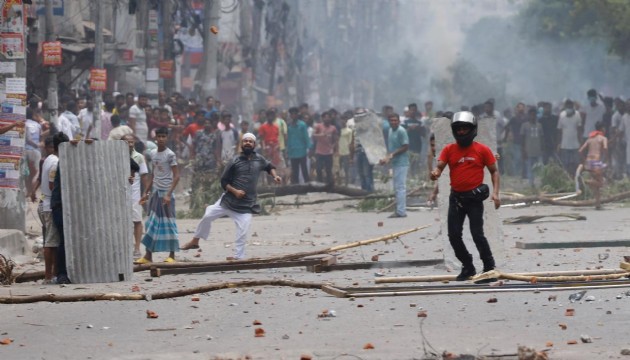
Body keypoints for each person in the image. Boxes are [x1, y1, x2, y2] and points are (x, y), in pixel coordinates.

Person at [179, 133, 282, 259]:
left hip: (247, 204)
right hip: (228, 201)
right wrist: (235, 191)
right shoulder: (235, 160)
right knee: (208, 215)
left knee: (243, 231)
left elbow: (269, 167)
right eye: (245, 141)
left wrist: (275, 176)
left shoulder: (259, 159)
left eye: (250, 141)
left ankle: (238, 257)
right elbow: (224, 181)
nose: (248, 143)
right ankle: (195, 241)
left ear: (254, 145)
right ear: (241, 144)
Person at [430, 111, 501, 282]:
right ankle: (468, 266)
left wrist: (496, 193)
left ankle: (489, 267)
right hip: (456, 199)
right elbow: (439, 166)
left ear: (473, 129)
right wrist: (435, 173)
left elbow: (494, 171)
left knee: (477, 234)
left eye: (465, 128)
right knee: (453, 236)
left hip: (474, 199)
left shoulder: (482, 150)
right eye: (458, 129)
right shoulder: (449, 149)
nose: (461, 132)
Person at [135, 127, 180, 264]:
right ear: (156, 138)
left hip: (166, 195)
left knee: (168, 224)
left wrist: (168, 194)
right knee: (151, 223)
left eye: (163, 136)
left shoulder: (170, 155)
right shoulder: (153, 154)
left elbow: (177, 176)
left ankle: (172, 255)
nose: (161, 139)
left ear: (167, 138)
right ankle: (148, 255)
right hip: (155, 193)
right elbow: (153, 175)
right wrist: (146, 192)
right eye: (159, 136)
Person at [123, 134, 150, 257]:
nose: (129, 144)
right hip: (121, 193)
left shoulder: (139, 157)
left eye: (131, 142)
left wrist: (145, 192)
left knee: (137, 220)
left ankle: (137, 248)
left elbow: (144, 176)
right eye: (127, 142)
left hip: (134, 194)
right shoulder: (117, 156)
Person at [379, 112, 409, 218]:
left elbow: (405, 146)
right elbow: (391, 148)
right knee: (397, 187)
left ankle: (401, 211)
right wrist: (386, 158)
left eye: (395, 120)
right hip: (395, 162)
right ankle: (400, 209)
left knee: (400, 187)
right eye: (391, 120)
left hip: (402, 162)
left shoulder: (401, 131)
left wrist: (391, 155)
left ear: (399, 121)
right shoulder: (390, 131)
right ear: (389, 121)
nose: (393, 122)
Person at [579, 121, 608, 209]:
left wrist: (585, 161)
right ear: (602, 128)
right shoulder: (603, 138)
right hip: (596, 161)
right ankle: (585, 181)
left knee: (596, 186)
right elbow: (606, 148)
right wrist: (606, 160)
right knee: (601, 183)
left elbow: (580, 151)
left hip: (589, 161)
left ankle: (597, 204)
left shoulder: (590, 139)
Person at [557, 99, 582, 176]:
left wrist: (580, 141)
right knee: (565, 165)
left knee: (576, 164)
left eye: (570, 106)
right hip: (565, 145)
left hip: (575, 145)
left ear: (573, 107)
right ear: (565, 107)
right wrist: (559, 143)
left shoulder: (577, 114)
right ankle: (566, 179)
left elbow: (580, 128)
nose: (569, 108)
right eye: (567, 106)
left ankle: (576, 179)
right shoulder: (562, 115)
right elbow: (559, 130)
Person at [312, 111, 338, 185]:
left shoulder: (333, 128)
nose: (327, 119)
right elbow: (313, 135)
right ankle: (320, 184)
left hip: (329, 152)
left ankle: (329, 185)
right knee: (319, 169)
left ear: (330, 119)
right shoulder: (319, 126)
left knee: (328, 169)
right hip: (319, 151)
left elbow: (336, 139)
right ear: (322, 118)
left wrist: (334, 147)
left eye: (328, 118)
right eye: (325, 117)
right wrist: (321, 135)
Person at [287, 107, 311, 184]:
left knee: (304, 170)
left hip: (302, 151)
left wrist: (309, 148)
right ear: (290, 115)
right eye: (292, 114)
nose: (293, 115)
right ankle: (296, 187)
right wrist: (288, 150)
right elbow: (288, 139)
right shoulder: (289, 126)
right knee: (295, 171)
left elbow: (306, 137)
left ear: (297, 115)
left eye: (295, 114)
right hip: (293, 152)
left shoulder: (302, 125)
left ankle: (308, 186)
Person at [521, 107, 544, 187]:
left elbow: (541, 138)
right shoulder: (525, 126)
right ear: (529, 115)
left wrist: (542, 148)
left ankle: (541, 182)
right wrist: (523, 150)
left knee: (540, 167)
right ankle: (531, 183)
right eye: (531, 115)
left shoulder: (539, 125)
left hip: (538, 150)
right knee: (529, 167)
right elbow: (522, 139)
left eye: (534, 115)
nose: (533, 117)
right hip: (528, 150)